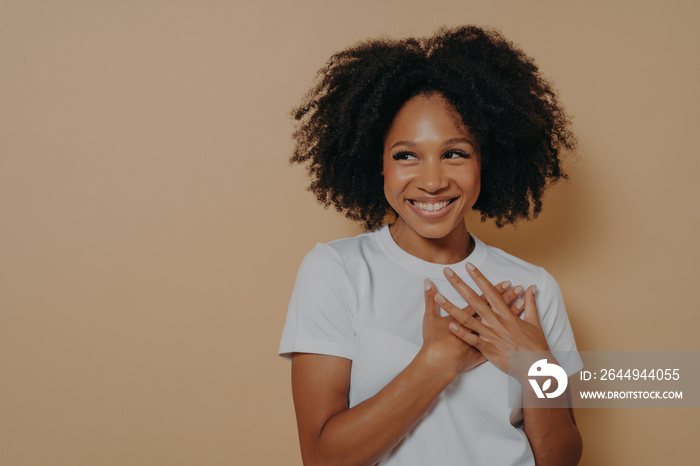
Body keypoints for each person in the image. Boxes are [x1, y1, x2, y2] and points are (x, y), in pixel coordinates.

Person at [279, 25, 583, 466]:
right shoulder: (337, 270)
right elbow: (323, 458)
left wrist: (536, 364)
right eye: (406, 155)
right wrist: (436, 362)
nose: (432, 180)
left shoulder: (532, 286)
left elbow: (562, 457)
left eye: (455, 152)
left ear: (486, 162)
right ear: (377, 164)